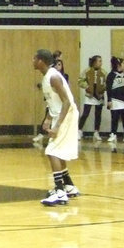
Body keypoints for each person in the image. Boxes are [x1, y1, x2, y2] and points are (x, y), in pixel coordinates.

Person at [34, 49, 81, 206]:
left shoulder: (53, 77)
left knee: (52, 151)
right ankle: (68, 186)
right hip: (60, 115)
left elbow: (66, 101)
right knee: (58, 151)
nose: (32, 61)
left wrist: (58, 125)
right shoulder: (46, 77)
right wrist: (48, 118)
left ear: (41, 61)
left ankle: (60, 192)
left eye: (35, 58)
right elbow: (52, 101)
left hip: (67, 115)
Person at [78, 55, 106, 140]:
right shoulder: (87, 71)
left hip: (99, 95)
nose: (101, 63)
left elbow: (107, 82)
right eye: (99, 61)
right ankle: (79, 131)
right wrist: (87, 87)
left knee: (98, 114)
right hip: (90, 95)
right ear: (94, 62)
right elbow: (80, 81)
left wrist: (103, 89)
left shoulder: (104, 72)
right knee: (85, 114)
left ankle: (96, 132)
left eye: (101, 61)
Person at [105, 56, 124, 143]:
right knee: (115, 118)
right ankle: (113, 134)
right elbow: (108, 89)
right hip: (115, 101)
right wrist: (109, 100)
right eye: (123, 63)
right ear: (118, 64)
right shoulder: (111, 75)